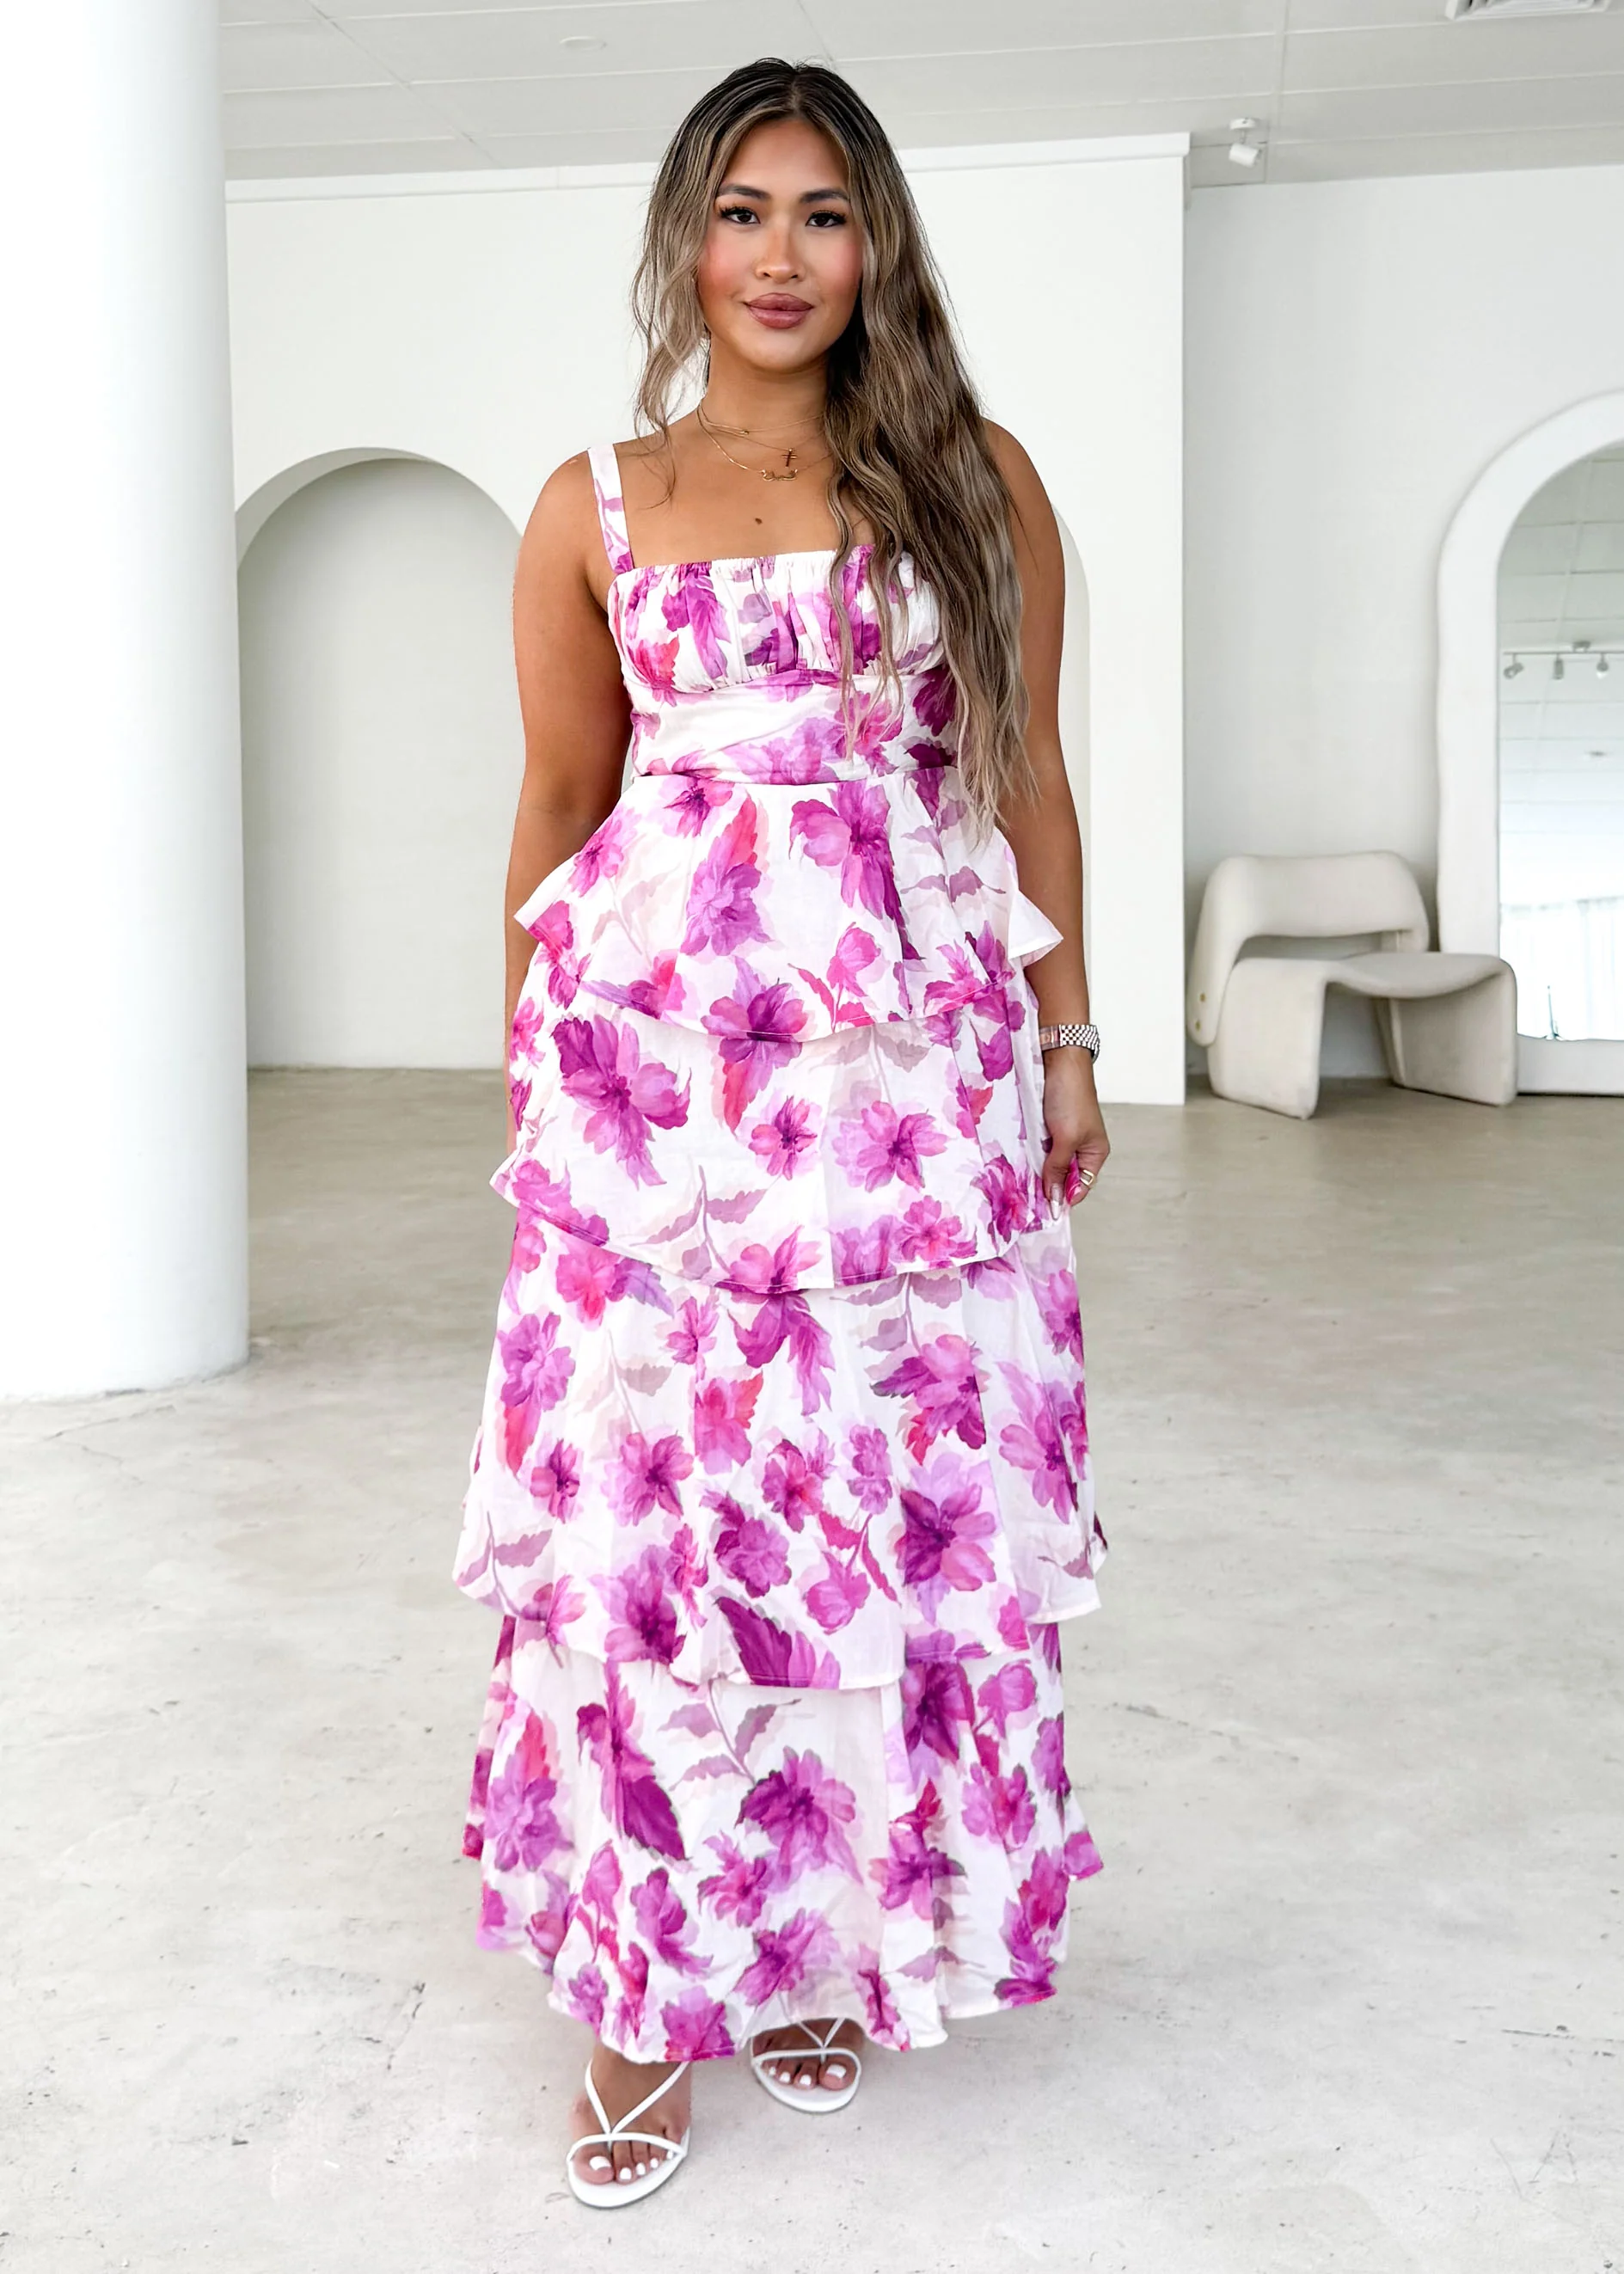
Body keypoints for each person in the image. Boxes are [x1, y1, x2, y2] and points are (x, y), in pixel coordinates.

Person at [454, 56, 1111, 2208]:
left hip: (901, 1099)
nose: (779, 255)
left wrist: (1067, 1040)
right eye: (741, 211)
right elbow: (564, 799)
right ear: (683, 238)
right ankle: (643, 1993)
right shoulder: (593, 499)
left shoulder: (969, 477)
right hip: (659, 1095)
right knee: (656, 1522)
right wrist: (527, 1061)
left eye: (822, 213)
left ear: (875, 243)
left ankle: (816, 1931)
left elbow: (1022, 771)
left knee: (859, 1503)